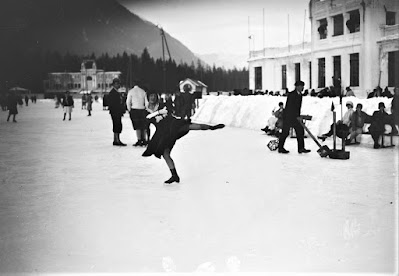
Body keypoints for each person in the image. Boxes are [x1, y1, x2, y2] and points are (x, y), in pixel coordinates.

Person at [142, 106, 225, 184]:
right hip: (165, 135)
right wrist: (158, 112)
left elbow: (192, 125)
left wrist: (211, 127)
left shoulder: (167, 115)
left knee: (188, 127)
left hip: (171, 131)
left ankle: (174, 176)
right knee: (166, 154)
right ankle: (174, 176)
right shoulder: (154, 115)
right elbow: (148, 117)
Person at [277, 80, 310, 154]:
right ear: (297, 87)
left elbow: (298, 107)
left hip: (295, 117)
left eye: (303, 86)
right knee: (285, 132)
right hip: (288, 116)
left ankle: (301, 148)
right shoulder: (292, 95)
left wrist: (298, 116)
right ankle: (280, 148)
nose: (302, 88)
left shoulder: (300, 95)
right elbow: (290, 107)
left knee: (300, 131)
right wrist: (295, 116)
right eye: (301, 86)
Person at [126, 81, 149, 146]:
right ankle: (144, 139)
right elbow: (146, 102)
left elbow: (128, 102)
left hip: (134, 110)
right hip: (142, 109)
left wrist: (129, 110)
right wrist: (146, 109)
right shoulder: (143, 91)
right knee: (143, 126)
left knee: (137, 126)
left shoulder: (131, 91)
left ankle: (139, 140)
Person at [108, 78, 126, 146]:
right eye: (117, 83)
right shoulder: (113, 93)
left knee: (118, 125)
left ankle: (116, 139)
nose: (118, 85)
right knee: (116, 125)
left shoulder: (116, 92)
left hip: (116, 112)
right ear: (114, 84)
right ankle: (116, 140)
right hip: (115, 112)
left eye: (118, 83)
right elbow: (113, 104)